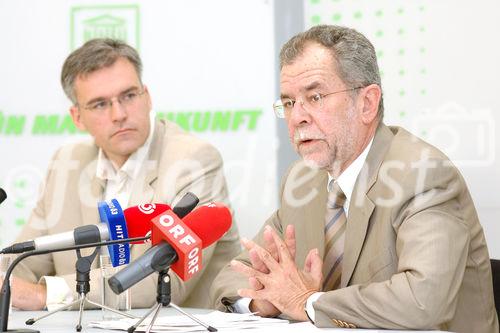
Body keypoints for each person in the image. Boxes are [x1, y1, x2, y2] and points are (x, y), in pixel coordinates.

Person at [210, 25, 498, 332]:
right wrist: (263, 301)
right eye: (290, 103)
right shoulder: (302, 180)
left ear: (367, 103)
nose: (297, 117)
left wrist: (307, 302)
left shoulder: (423, 174)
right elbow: (231, 278)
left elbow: (422, 300)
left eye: (315, 96)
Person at [9, 38, 241, 311]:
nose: (119, 114)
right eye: (99, 104)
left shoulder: (193, 160)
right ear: (77, 117)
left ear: (147, 96)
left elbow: (164, 280)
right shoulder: (66, 163)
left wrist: (44, 294)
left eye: (129, 96)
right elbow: (23, 262)